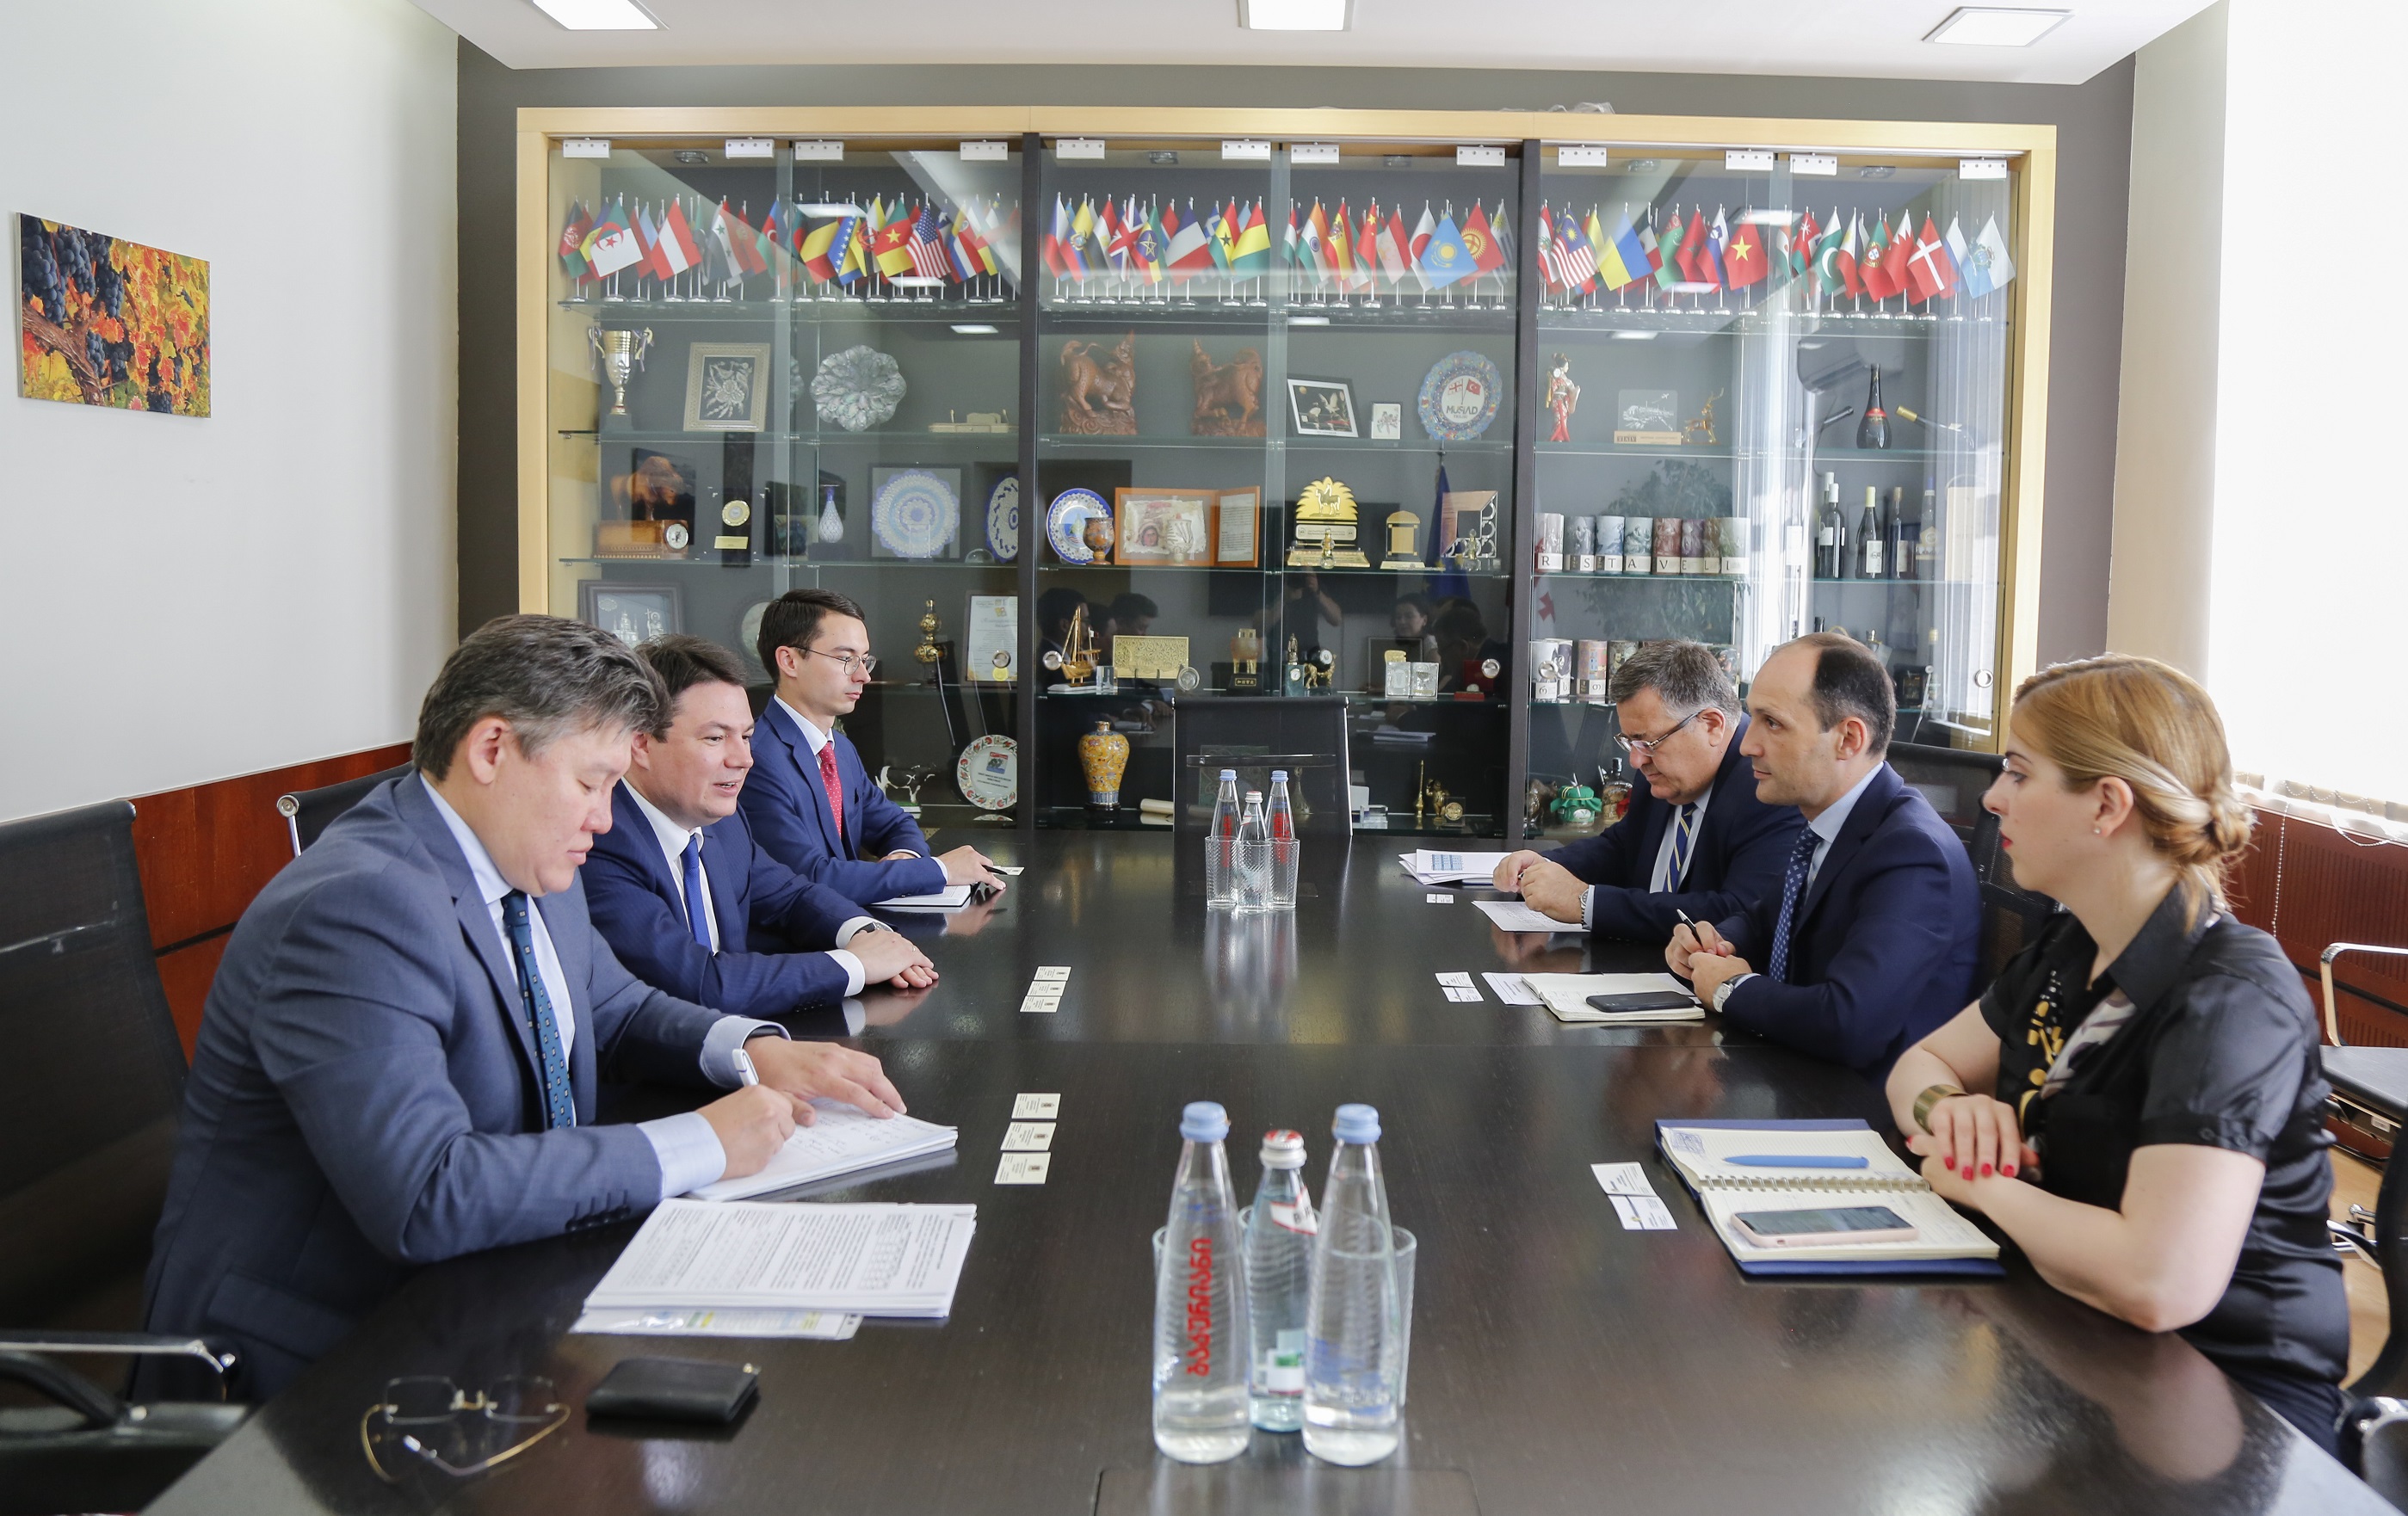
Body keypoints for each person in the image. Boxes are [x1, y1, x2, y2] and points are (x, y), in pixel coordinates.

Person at [141, 616, 908, 1399]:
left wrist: (751, 1049)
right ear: (492, 750)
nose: (605, 818)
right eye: (591, 783)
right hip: (320, 1363)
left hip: (493, 1291)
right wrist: (700, 1144)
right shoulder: (357, 906)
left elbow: (617, 1006)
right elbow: (427, 1193)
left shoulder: (525, 856)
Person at [1883, 655, 2345, 1451]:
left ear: (2106, 805)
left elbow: (2159, 1283)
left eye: (2019, 773)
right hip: (2067, 1330)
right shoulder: (2071, 945)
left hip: (2225, 1406)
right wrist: (1950, 1111)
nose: (1993, 798)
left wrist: (1983, 1184)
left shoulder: (2232, 1000)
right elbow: (1919, 1066)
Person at [1667, 632, 1979, 1075]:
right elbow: (1763, 920)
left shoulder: (1912, 853)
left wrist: (1730, 987)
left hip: (1863, 1105)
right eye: (1753, 717)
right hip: (1796, 1074)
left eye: (1773, 723)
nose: (1747, 744)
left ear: (1848, 739)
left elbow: (1849, 1022)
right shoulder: (1828, 822)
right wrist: (1715, 942)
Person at [585, 634, 939, 1019]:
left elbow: (792, 896)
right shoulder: (599, 842)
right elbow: (701, 985)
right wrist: (856, 965)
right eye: (715, 738)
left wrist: (868, 934)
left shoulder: (724, 821)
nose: (744, 759)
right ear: (640, 744)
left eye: (746, 737)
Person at [1492, 640, 1804, 941]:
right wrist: (1545, 866)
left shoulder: (1768, 788)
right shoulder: (1664, 770)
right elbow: (1623, 847)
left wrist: (1586, 903)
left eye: (1648, 743)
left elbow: (1737, 913)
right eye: (1630, 742)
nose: (1636, 760)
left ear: (1711, 725)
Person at [741, 588, 1005, 906]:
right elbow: (808, 879)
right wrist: (938, 870)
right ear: (790, 661)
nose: (864, 675)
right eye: (846, 659)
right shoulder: (756, 760)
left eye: (864, 660)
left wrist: (905, 857)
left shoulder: (839, 749)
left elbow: (894, 823)